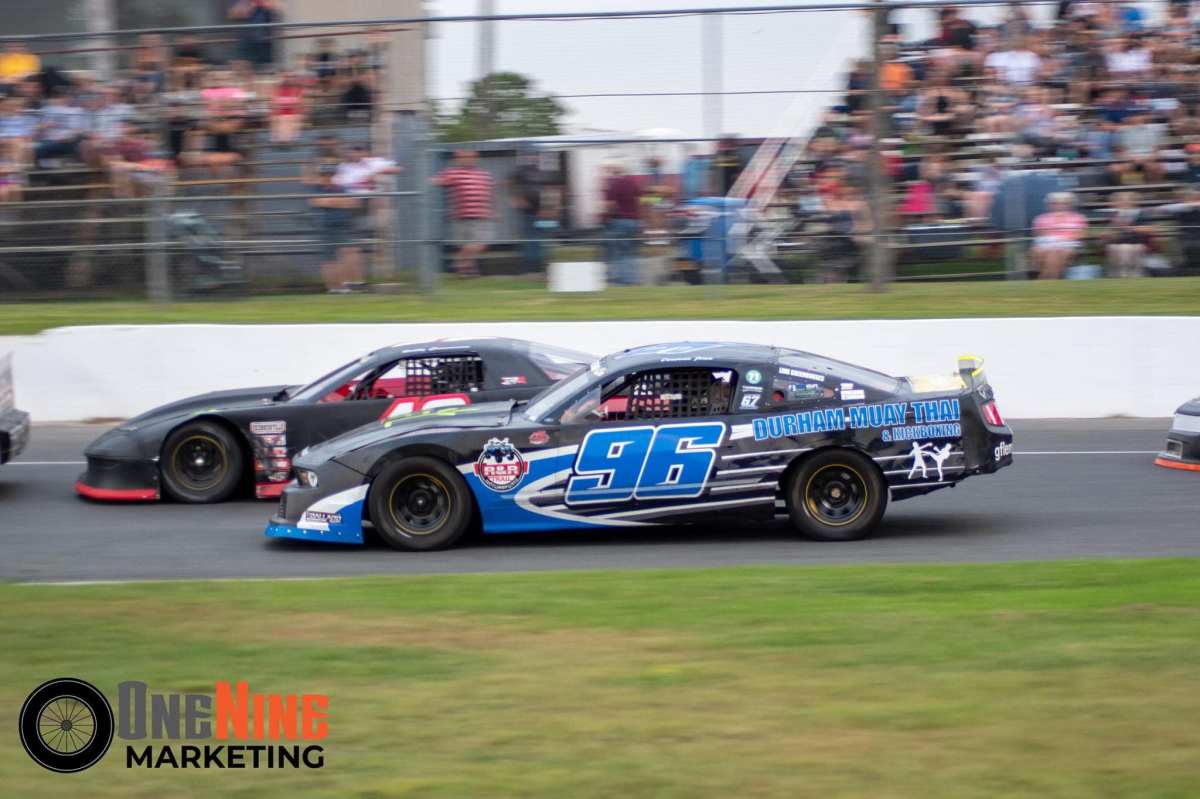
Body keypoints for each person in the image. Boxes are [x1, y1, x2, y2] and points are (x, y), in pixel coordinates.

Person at [432, 149, 495, 277]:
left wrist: (494, 210)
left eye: (471, 157)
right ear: (457, 160)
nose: (467, 159)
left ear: (476, 159)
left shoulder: (484, 174)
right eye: (463, 157)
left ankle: (459, 264)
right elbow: (437, 181)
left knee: (480, 244)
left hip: (482, 215)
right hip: (461, 215)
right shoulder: (453, 173)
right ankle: (466, 270)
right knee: (467, 245)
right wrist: (433, 181)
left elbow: (490, 194)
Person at [309, 165, 365, 293]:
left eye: (330, 175)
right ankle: (334, 288)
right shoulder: (315, 189)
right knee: (329, 259)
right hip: (325, 227)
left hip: (344, 226)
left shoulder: (341, 188)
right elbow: (318, 201)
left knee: (350, 252)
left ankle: (350, 284)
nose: (328, 178)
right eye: (324, 175)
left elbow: (355, 203)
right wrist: (341, 202)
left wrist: (333, 201)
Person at [602, 162, 643, 286]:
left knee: (619, 252)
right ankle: (634, 279)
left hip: (620, 222)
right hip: (634, 222)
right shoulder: (632, 182)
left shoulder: (615, 184)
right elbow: (641, 199)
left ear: (615, 171)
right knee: (631, 251)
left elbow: (610, 205)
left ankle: (623, 280)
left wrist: (607, 218)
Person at [1031, 192, 1087, 279]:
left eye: (1064, 203)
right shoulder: (1041, 218)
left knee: (1055, 253)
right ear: (1049, 205)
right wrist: (1055, 239)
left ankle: (1044, 280)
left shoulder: (1078, 218)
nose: (1060, 205)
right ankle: (1052, 280)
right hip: (1047, 243)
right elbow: (1039, 234)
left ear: (1070, 204)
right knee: (1053, 252)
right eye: (1055, 203)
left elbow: (1081, 234)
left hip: (1069, 244)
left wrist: (1064, 239)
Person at [510, 150, 547, 272]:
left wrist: (547, 208)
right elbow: (510, 183)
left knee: (542, 237)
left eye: (537, 156)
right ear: (528, 157)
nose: (535, 158)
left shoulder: (541, 172)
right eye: (533, 156)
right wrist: (516, 198)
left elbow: (548, 190)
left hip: (542, 213)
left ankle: (540, 266)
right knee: (529, 238)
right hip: (527, 212)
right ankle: (529, 268)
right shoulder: (522, 171)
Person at [1102, 191, 1152, 277]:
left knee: (1125, 249)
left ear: (1133, 202)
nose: (1124, 203)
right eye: (1120, 200)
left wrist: (1131, 228)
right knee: (1117, 249)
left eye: (1127, 200)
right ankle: (1118, 276)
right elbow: (1105, 234)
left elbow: (1150, 229)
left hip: (1137, 244)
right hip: (1116, 244)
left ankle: (1130, 276)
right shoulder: (1113, 215)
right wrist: (1112, 230)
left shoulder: (1141, 213)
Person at [229, 0, 281, 70]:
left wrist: (263, 3)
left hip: (264, 41)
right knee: (244, 68)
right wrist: (252, 4)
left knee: (265, 70)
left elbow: (278, 7)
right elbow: (234, 13)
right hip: (245, 41)